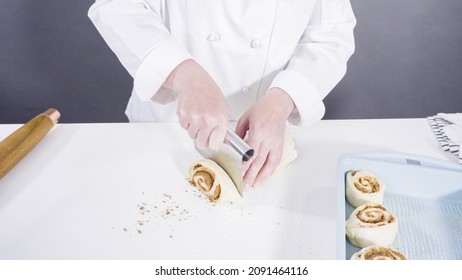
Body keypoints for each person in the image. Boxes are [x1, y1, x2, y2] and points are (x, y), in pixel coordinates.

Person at [88, 0, 356, 189]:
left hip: (268, 135)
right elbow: (117, 6)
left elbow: (331, 34)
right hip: (167, 128)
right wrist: (182, 74)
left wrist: (282, 99)